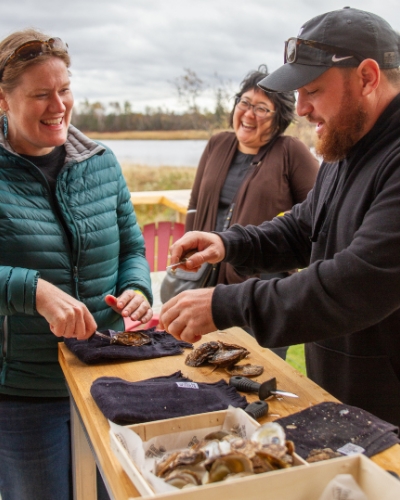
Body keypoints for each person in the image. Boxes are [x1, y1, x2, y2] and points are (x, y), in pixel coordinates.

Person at [160, 7, 400, 428]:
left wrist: (226, 304)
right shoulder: (347, 144)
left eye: (312, 89)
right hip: (347, 401)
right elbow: (306, 225)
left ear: (367, 77)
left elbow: (357, 282)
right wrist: (231, 244)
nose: (302, 108)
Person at [0, 29, 153, 500]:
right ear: (2, 100)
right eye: (41, 94)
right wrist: (35, 291)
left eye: (64, 90)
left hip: (106, 378)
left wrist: (137, 288)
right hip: (22, 393)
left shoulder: (102, 162)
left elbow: (132, 246)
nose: (58, 105)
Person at [182, 65, 319, 359]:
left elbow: (321, 214)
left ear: (278, 118)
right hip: (206, 283)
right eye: (244, 103)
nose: (248, 113)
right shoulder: (218, 143)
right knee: (200, 368)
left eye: (261, 108)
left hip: (260, 293)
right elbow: (195, 203)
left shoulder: (291, 152)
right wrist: (188, 252)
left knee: (256, 376)